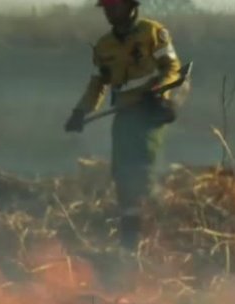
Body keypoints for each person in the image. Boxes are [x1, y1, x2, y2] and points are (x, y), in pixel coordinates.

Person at [64, 0, 182, 250]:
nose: (110, 12)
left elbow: (172, 68)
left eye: (115, 6)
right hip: (124, 112)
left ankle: (159, 225)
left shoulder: (153, 33)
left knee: (142, 168)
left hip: (150, 110)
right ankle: (129, 237)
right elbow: (98, 84)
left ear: (131, 7)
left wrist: (160, 92)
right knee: (122, 173)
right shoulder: (104, 46)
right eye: (107, 8)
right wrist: (80, 111)